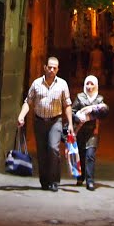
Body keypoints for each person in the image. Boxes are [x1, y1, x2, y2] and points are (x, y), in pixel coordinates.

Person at [17, 56, 73, 191]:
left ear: (58, 69)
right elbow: (28, 101)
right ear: (45, 68)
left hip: (55, 121)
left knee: (53, 149)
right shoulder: (36, 84)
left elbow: (67, 104)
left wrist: (70, 123)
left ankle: (54, 180)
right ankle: (44, 181)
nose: (52, 70)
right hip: (39, 121)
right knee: (42, 152)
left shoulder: (62, 84)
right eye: (50, 67)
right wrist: (21, 116)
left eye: (55, 68)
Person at [72, 74, 108, 191]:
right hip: (80, 130)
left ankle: (90, 181)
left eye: (92, 83)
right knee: (81, 155)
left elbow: (101, 115)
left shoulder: (99, 99)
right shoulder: (80, 97)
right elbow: (72, 111)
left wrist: (97, 128)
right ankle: (80, 177)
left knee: (90, 155)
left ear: (96, 85)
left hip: (92, 131)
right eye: (87, 83)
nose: (89, 86)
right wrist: (77, 118)